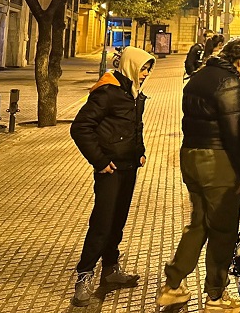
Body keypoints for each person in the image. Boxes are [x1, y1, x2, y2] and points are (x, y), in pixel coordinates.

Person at [157, 38, 240, 313]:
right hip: (218, 162)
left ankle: (173, 285)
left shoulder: (198, 77)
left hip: (190, 155)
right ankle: (216, 296)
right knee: (223, 230)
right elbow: (234, 132)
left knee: (199, 223)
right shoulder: (229, 83)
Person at [70, 46, 155, 307]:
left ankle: (110, 269)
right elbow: (80, 127)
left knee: (118, 220)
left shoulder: (133, 93)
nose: (145, 74)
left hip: (129, 166)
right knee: (102, 222)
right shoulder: (108, 92)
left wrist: (139, 152)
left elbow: (135, 127)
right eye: (142, 68)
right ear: (131, 66)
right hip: (110, 169)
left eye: (148, 70)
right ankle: (84, 276)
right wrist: (100, 160)